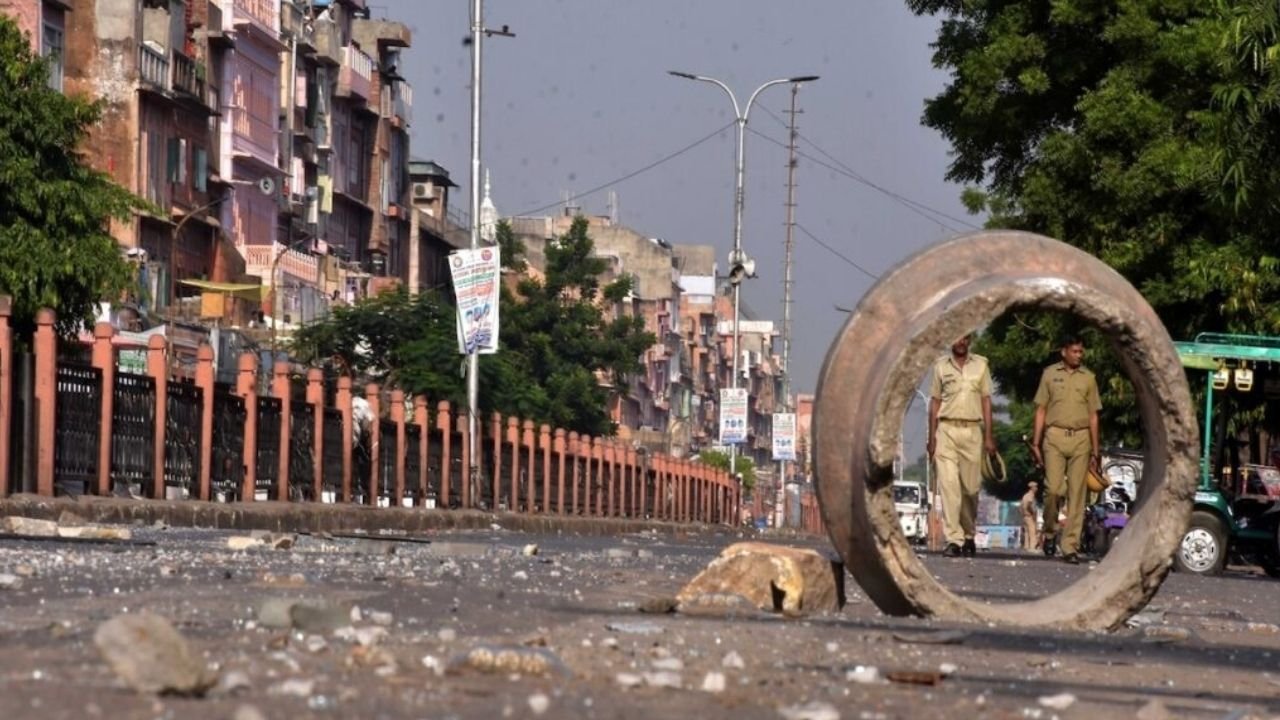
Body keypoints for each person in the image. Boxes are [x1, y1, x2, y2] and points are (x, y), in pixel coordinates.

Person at [1030, 335, 1102, 564]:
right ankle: (1050, 531)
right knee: (1053, 489)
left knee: (1077, 495)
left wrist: (1095, 451)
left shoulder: (1089, 378)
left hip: (1081, 438)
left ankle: (1070, 545)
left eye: (1081, 352)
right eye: (1074, 351)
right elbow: (1041, 410)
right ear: (1064, 352)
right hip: (1054, 436)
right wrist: (1036, 442)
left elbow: (1093, 416)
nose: (1078, 355)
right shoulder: (1050, 374)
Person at [927, 334, 997, 558]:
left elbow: (986, 400)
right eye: (956, 337)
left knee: (970, 489)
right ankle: (954, 539)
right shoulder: (940, 367)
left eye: (964, 338)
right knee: (949, 488)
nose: (960, 342)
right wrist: (932, 438)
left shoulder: (981, 365)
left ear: (969, 340)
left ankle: (968, 534)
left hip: (972, 431)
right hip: (946, 430)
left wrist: (989, 436)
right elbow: (935, 402)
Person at [1021, 481, 1040, 551]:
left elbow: (1020, 506)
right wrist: (1033, 513)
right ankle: (1032, 547)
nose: (1036, 488)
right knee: (1032, 532)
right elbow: (1029, 505)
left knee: (1026, 532)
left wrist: (1023, 514)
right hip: (1029, 515)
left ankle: (1026, 546)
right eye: (1035, 487)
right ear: (1032, 488)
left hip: (1025, 516)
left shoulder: (1025, 495)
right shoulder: (1030, 495)